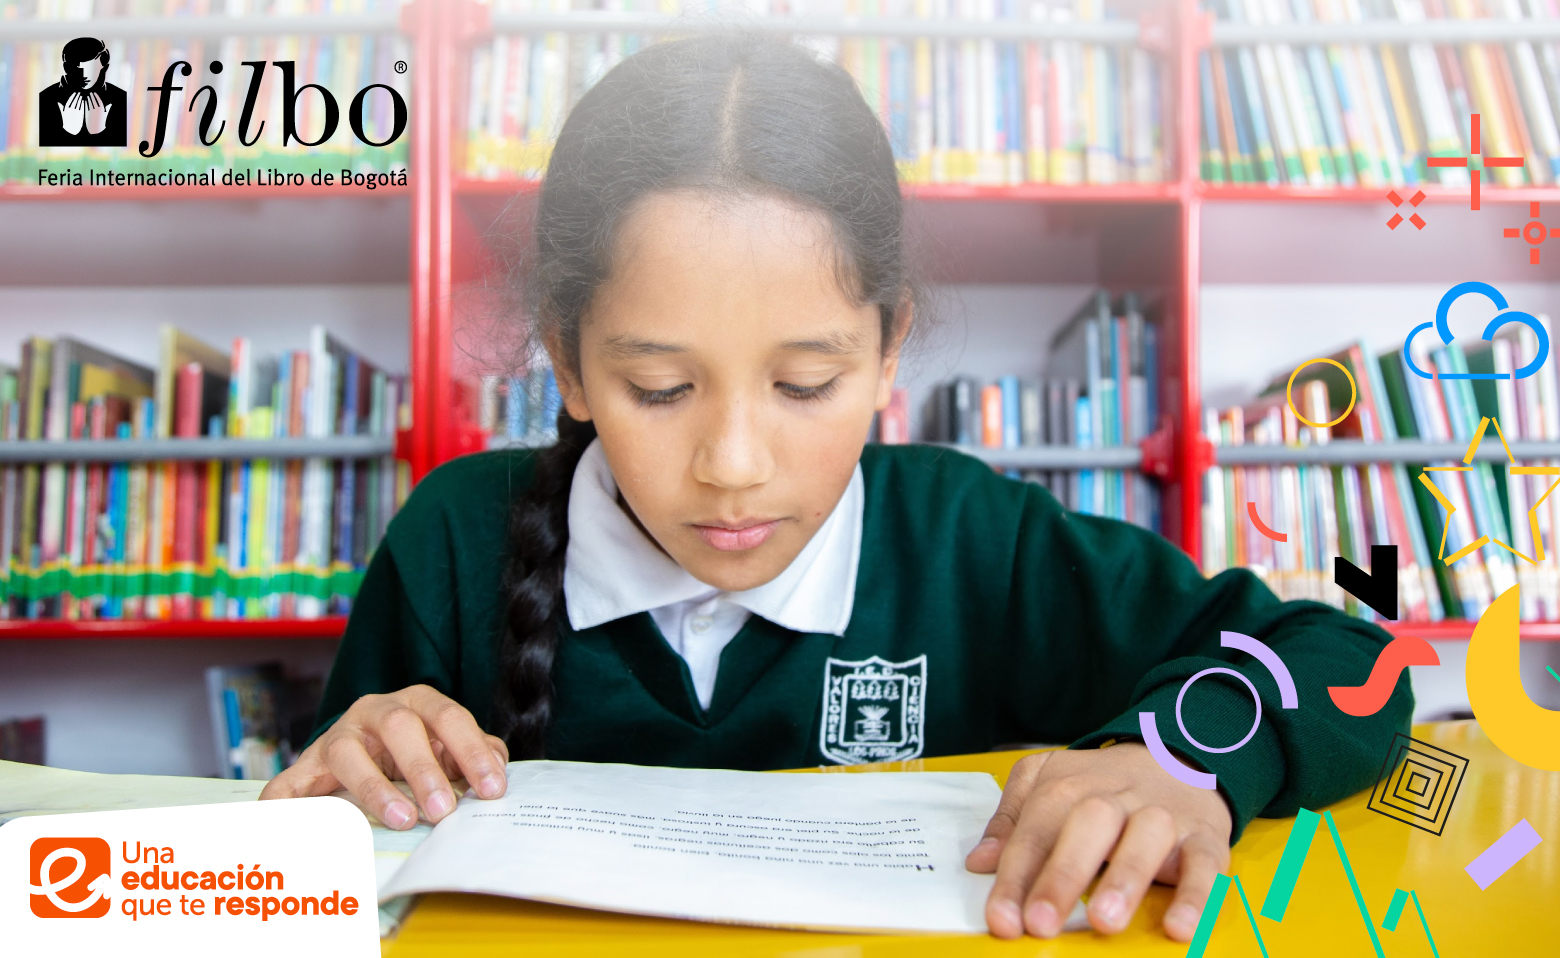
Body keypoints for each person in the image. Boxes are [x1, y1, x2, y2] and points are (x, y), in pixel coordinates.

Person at [259, 33, 1408, 941]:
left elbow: (1345, 659)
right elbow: (335, 858)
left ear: (889, 347)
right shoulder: (455, 543)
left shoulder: (972, 540)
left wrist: (1179, 760)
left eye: (806, 382)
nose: (734, 463)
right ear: (566, 358)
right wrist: (351, 766)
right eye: (660, 387)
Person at [37, 36, 128, 147]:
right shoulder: (48, 97)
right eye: (77, 68)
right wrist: (68, 128)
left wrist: (100, 127)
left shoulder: (119, 97)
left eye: (91, 67)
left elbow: (119, 152)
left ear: (104, 66)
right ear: (66, 67)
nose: (84, 75)